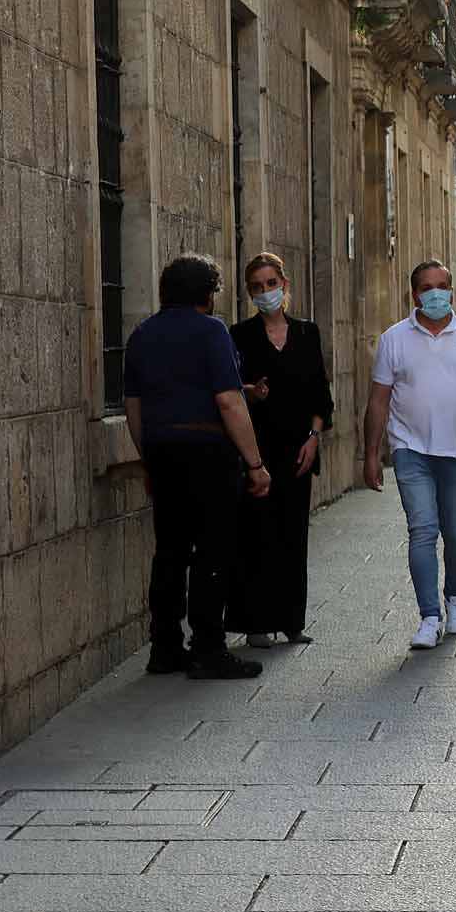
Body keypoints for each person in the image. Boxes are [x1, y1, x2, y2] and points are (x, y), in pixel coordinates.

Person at [124, 254, 270, 681]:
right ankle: (208, 647)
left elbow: (134, 407)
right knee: (212, 550)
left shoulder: (141, 335)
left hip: (163, 450)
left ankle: (164, 647)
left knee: (169, 552)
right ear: (207, 294)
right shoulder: (212, 332)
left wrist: (148, 456)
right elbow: (229, 401)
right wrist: (256, 463)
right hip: (208, 452)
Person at [364, 260, 456, 650]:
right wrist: (371, 453)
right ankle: (429, 616)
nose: (436, 293)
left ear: (451, 291)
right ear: (415, 295)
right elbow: (378, 401)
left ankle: (455, 598)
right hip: (410, 449)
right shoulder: (394, 339)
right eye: (427, 287)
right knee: (423, 530)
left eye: (442, 285)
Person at [228, 253, 334, 650]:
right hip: (257, 449)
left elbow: (321, 395)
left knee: (293, 535)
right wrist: (251, 393)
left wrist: (313, 436)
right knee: (256, 535)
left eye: (271, 283)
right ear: (249, 293)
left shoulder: (307, 334)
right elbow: (228, 393)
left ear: (284, 285)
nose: (266, 292)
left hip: (298, 449)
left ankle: (291, 620)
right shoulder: (239, 336)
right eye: (257, 286)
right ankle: (254, 622)